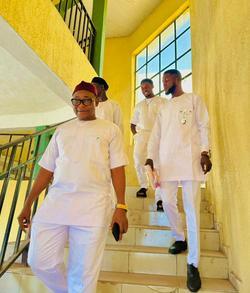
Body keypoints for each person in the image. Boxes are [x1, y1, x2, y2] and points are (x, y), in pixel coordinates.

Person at [18, 81, 128, 293]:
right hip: (58, 202)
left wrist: (121, 207)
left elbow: (117, 169)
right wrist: (28, 204)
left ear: (96, 101)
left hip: (94, 206)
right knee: (39, 261)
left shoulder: (110, 130)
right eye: (76, 100)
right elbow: (46, 171)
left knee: (84, 273)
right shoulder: (62, 130)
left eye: (86, 100)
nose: (81, 105)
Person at [146, 69, 212, 292]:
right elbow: (155, 135)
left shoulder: (194, 99)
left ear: (177, 79)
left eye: (166, 79)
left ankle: (193, 263)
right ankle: (179, 237)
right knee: (168, 202)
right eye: (163, 80)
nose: (163, 83)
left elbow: (204, 126)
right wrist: (150, 158)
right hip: (167, 163)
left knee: (192, 209)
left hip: (191, 161)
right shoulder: (163, 108)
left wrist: (205, 152)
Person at [130, 79, 167, 210]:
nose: (144, 89)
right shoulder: (139, 105)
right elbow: (132, 124)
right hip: (142, 135)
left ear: (152, 86)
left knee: (157, 165)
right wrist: (136, 136)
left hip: (157, 135)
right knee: (138, 160)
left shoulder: (162, 101)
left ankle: (160, 198)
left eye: (146, 86)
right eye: (142, 87)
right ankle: (143, 186)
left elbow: (167, 120)